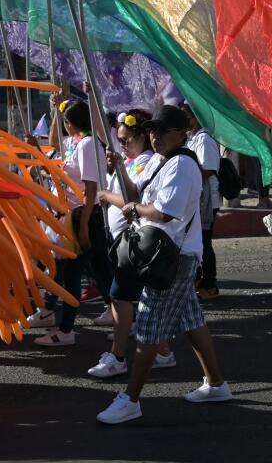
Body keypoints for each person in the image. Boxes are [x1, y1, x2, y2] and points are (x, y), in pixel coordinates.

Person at [96, 105, 231, 424]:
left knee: (147, 327)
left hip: (174, 256)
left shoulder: (183, 165)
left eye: (161, 131)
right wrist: (122, 174)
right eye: (151, 130)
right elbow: (138, 194)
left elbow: (164, 212)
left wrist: (133, 208)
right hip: (171, 254)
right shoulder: (162, 160)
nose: (154, 136)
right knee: (192, 320)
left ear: (180, 134)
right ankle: (216, 384)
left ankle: (130, 399)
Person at [89, 109, 175, 378]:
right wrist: (93, 100)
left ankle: (118, 356)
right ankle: (162, 351)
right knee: (137, 301)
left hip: (137, 243)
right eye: (121, 139)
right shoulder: (131, 158)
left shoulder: (147, 161)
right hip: (125, 242)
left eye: (127, 140)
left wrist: (106, 194)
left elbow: (132, 196)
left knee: (120, 296)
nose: (123, 144)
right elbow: (103, 133)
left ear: (142, 137)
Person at [36, 99, 110, 347]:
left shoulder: (88, 145)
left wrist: (85, 224)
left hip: (84, 216)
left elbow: (90, 188)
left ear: (72, 124)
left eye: (65, 122)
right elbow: (55, 145)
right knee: (102, 272)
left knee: (72, 274)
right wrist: (55, 110)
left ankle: (66, 330)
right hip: (78, 216)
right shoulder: (76, 143)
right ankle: (123, 318)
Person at [182, 104, 221, 300]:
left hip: (208, 201)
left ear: (197, 116)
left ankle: (210, 285)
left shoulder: (204, 139)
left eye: (187, 116)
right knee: (198, 242)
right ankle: (198, 280)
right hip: (197, 199)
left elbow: (209, 169)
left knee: (205, 243)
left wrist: (187, 176)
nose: (185, 120)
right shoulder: (192, 139)